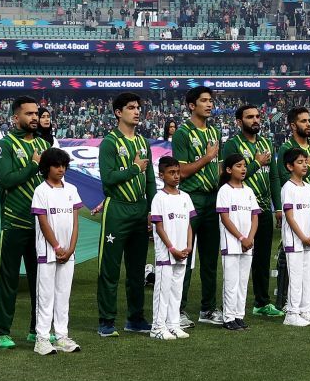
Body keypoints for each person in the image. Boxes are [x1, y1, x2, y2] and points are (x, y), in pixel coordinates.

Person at [0, 97, 49, 348]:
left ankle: (38, 330)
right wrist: (33, 165)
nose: (34, 118)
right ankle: (1, 332)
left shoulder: (45, 145)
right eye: (29, 114)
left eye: (36, 113)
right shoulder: (4, 145)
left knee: (41, 281)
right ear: (16, 118)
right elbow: (6, 180)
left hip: (40, 225)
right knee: (8, 280)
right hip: (14, 223)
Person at [97, 92, 154, 337]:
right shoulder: (109, 143)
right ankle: (106, 321)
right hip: (117, 208)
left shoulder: (143, 143)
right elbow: (108, 180)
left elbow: (150, 179)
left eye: (138, 107)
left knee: (137, 268)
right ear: (118, 112)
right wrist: (133, 168)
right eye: (131, 107)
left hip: (140, 209)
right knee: (110, 267)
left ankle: (136, 318)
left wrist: (152, 208)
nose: (137, 111)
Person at [170, 86, 224, 324]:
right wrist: (207, 157)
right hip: (191, 199)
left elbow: (220, 169)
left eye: (210, 100)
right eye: (204, 101)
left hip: (213, 199)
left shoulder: (214, 131)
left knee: (211, 258)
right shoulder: (182, 133)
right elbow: (181, 171)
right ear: (192, 106)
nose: (209, 104)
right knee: (186, 256)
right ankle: (178, 310)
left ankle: (208, 309)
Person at [221, 103, 278, 320]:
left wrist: (278, 207)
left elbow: (273, 176)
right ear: (239, 121)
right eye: (249, 117)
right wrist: (255, 163)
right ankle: (231, 306)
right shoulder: (232, 145)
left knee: (262, 258)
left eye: (257, 116)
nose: (255, 120)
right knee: (238, 259)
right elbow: (230, 177)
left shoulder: (266, 143)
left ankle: (261, 303)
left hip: (263, 209)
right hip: (240, 210)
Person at [32, 147, 89, 352]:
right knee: (46, 295)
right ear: (47, 167)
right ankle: (42, 338)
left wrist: (71, 248)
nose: (61, 169)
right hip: (48, 252)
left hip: (68, 253)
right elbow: (43, 222)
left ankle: (62, 335)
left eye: (64, 165)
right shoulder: (41, 191)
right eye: (56, 165)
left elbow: (75, 221)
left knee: (63, 294)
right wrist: (57, 246)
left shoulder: (71, 189)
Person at [146, 155, 193, 341]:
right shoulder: (159, 198)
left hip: (183, 252)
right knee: (162, 289)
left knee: (176, 289)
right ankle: (157, 326)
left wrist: (189, 246)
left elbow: (189, 224)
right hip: (167, 252)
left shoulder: (186, 197)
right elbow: (159, 226)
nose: (176, 176)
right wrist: (172, 248)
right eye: (171, 172)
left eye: (177, 172)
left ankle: (173, 324)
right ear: (161, 175)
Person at [215, 154, 260, 330]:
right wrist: (241, 238)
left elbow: (255, 216)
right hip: (232, 244)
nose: (243, 169)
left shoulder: (248, 191)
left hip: (248, 244)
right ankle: (228, 317)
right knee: (231, 281)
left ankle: (239, 315)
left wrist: (250, 238)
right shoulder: (224, 191)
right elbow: (225, 218)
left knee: (242, 282)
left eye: (244, 166)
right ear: (228, 170)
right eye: (238, 166)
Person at [277, 147, 310, 326]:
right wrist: (302, 236)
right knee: (295, 277)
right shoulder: (288, 188)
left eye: (305, 161)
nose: (304, 165)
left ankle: (305, 310)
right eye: (300, 162)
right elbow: (290, 216)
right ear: (289, 166)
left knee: (307, 275)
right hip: (294, 240)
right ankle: (292, 314)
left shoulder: (309, 187)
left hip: (309, 240)